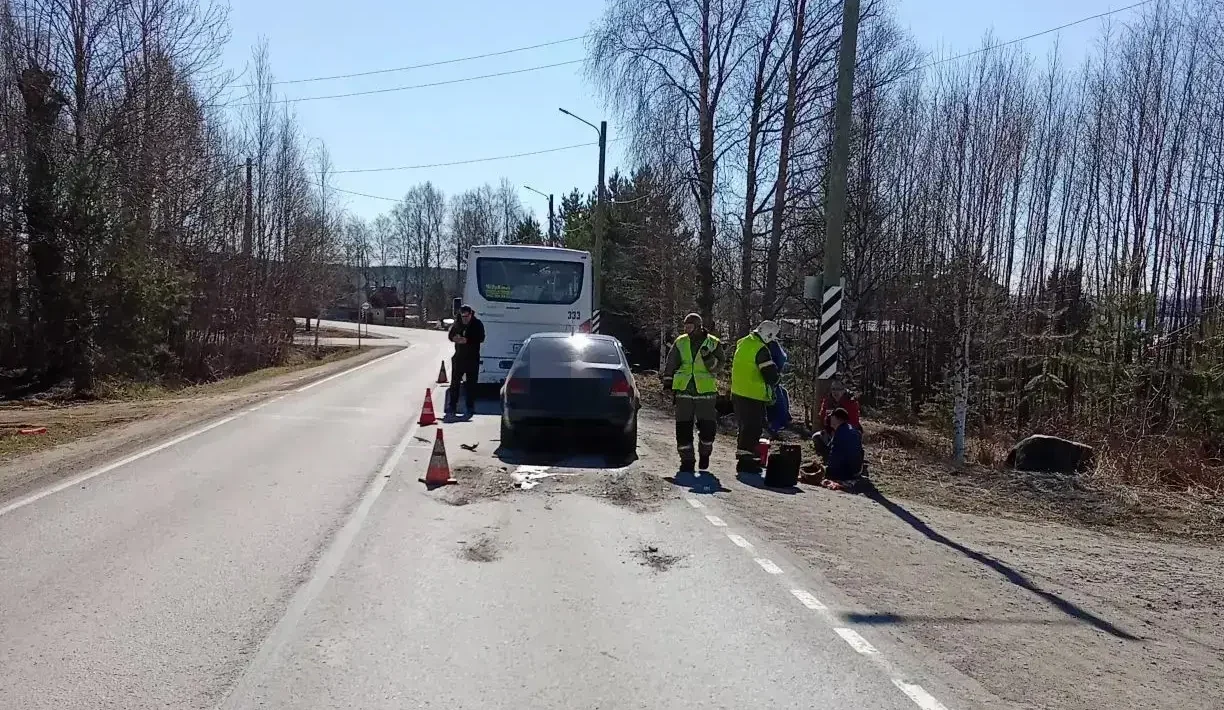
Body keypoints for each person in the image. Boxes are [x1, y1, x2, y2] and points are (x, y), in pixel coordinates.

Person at [660, 313, 725, 472]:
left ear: (698, 326)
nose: (686, 329)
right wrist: (668, 384)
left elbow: (719, 366)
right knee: (683, 428)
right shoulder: (680, 342)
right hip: (684, 390)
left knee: (708, 428)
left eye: (689, 326)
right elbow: (671, 363)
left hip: (706, 393)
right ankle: (687, 461)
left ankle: (704, 455)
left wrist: (707, 357)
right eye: (685, 326)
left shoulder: (713, 343)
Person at [729, 320, 781, 473]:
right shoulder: (761, 350)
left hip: (738, 391)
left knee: (744, 428)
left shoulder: (743, 342)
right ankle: (746, 462)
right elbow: (770, 375)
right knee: (753, 429)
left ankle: (744, 457)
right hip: (753, 394)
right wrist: (777, 379)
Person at [446, 304, 485, 416]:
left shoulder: (477, 324)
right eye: (462, 316)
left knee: (471, 384)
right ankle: (452, 405)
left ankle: (470, 406)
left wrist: (467, 340)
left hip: (472, 358)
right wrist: (454, 338)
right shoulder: (457, 323)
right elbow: (450, 335)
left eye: (466, 316)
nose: (464, 319)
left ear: (471, 314)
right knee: (455, 383)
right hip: (459, 357)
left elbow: (481, 338)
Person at [812, 379, 861, 457]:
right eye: (833, 389)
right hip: (831, 432)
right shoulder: (827, 401)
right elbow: (822, 417)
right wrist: (828, 426)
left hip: (848, 433)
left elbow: (853, 422)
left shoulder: (851, 402)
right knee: (816, 437)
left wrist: (840, 430)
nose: (835, 392)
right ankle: (828, 456)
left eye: (838, 389)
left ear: (844, 390)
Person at [822, 407, 864, 489]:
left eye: (832, 416)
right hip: (856, 470)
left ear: (837, 418)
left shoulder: (841, 433)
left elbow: (835, 456)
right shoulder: (852, 430)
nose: (830, 418)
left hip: (846, 471)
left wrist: (827, 470)